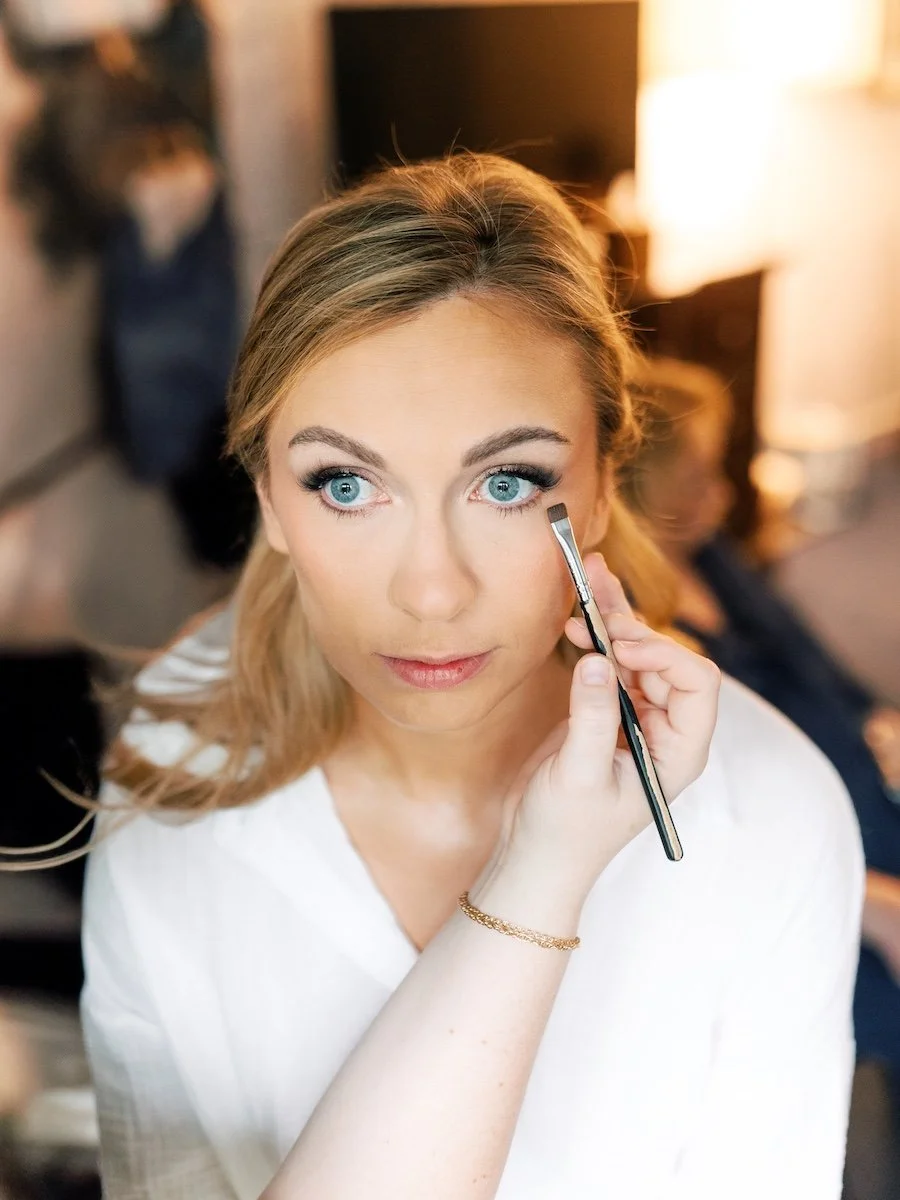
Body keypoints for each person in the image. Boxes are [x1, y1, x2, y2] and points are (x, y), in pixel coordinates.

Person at [69, 155, 863, 1200]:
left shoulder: (768, 814)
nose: (432, 591)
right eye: (346, 484)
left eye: (505, 482)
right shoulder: (178, 771)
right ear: (268, 494)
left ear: (602, 475)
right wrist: (536, 880)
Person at [622, 354, 900, 1200]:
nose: (723, 498)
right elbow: (715, 818)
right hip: (832, 883)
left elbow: (822, 677)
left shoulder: (718, 562)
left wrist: (875, 724)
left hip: (867, 804)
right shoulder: (650, 633)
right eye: (701, 479)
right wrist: (872, 901)